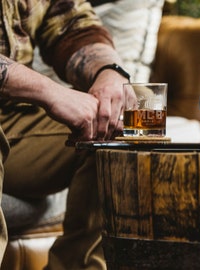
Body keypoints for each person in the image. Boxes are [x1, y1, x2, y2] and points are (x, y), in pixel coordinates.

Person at [0, 0, 136, 269]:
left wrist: (108, 71)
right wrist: (48, 91)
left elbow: (71, 25)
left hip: (11, 116)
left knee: (113, 136)